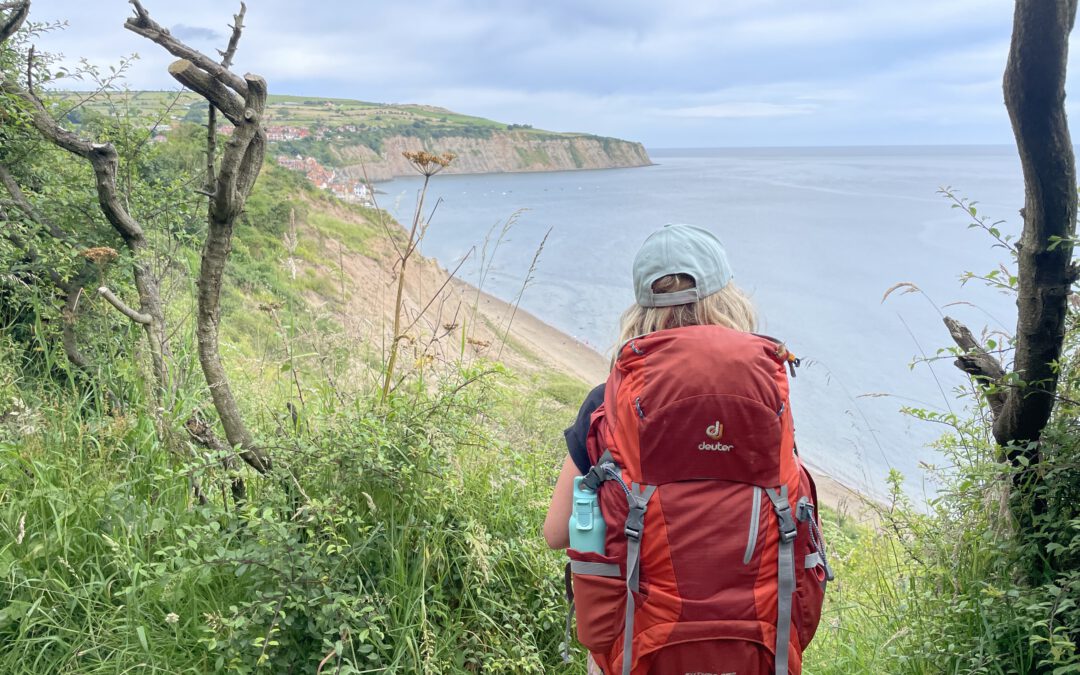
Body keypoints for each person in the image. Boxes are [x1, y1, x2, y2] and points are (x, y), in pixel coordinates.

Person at [542, 223, 756, 550]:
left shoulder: (608, 401)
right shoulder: (761, 398)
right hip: (755, 601)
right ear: (730, 304)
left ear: (642, 313)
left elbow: (556, 534)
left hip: (635, 600)